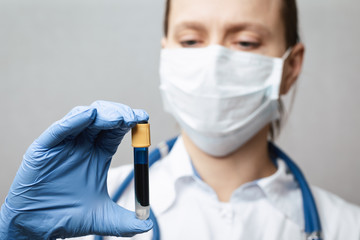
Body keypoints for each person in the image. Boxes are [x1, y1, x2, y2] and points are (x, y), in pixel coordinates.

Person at [1, 0, 360, 239]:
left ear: (290, 66)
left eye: (246, 42)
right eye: (190, 41)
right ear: (166, 56)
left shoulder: (346, 227)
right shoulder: (86, 206)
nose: (213, 62)